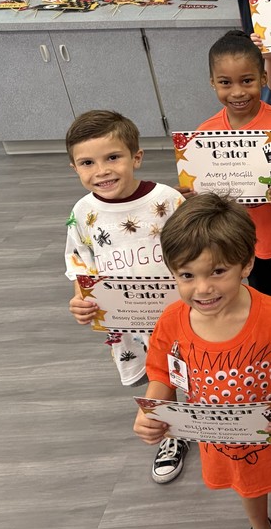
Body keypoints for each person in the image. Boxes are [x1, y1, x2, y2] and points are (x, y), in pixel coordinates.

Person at [133, 194, 271, 529]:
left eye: (217, 272)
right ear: (172, 272)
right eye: (187, 275)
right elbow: (162, 373)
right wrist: (152, 410)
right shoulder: (171, 322)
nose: (202, 288)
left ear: (247, 262)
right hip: (221, 438)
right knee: (245, 486)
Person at [64, 110, 189, 484]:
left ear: (136, 156)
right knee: (156, 375)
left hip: (179, 313)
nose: (101, 170)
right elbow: (80, 264)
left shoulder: (165, 200)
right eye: (88, 163)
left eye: (112, 157)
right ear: (74, 168)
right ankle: (173, 434)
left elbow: (194, 248)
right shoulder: (82, 212)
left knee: (193, 369)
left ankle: (212, 422)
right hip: (129, 324)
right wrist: (81, 301)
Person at [192, 31, 271, 332]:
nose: (237, 92)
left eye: (247, 81)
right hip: (239, 234)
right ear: (213, 83)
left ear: (263, 78)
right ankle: (270, 339)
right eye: (225, 83)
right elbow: (205, 188)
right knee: (259, 292)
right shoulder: (204, 135)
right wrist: (194, 193)